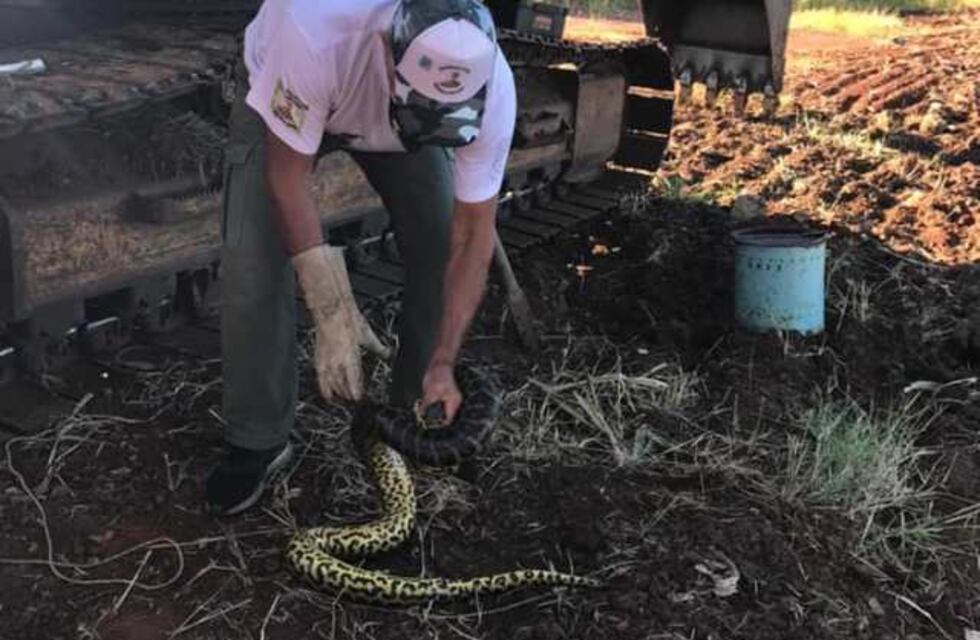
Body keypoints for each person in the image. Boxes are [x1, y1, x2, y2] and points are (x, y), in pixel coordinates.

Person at [205, 0, 516, 516]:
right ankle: (258, 438)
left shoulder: (493, 86)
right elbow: (288, 181)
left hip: (394, 108)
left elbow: (472, 236)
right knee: (252, 262)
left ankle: (415, 407)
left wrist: (444, 359)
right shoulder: (312, 35)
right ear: (386, 51)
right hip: (290, 95)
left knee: (439, 242)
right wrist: (332, 310)